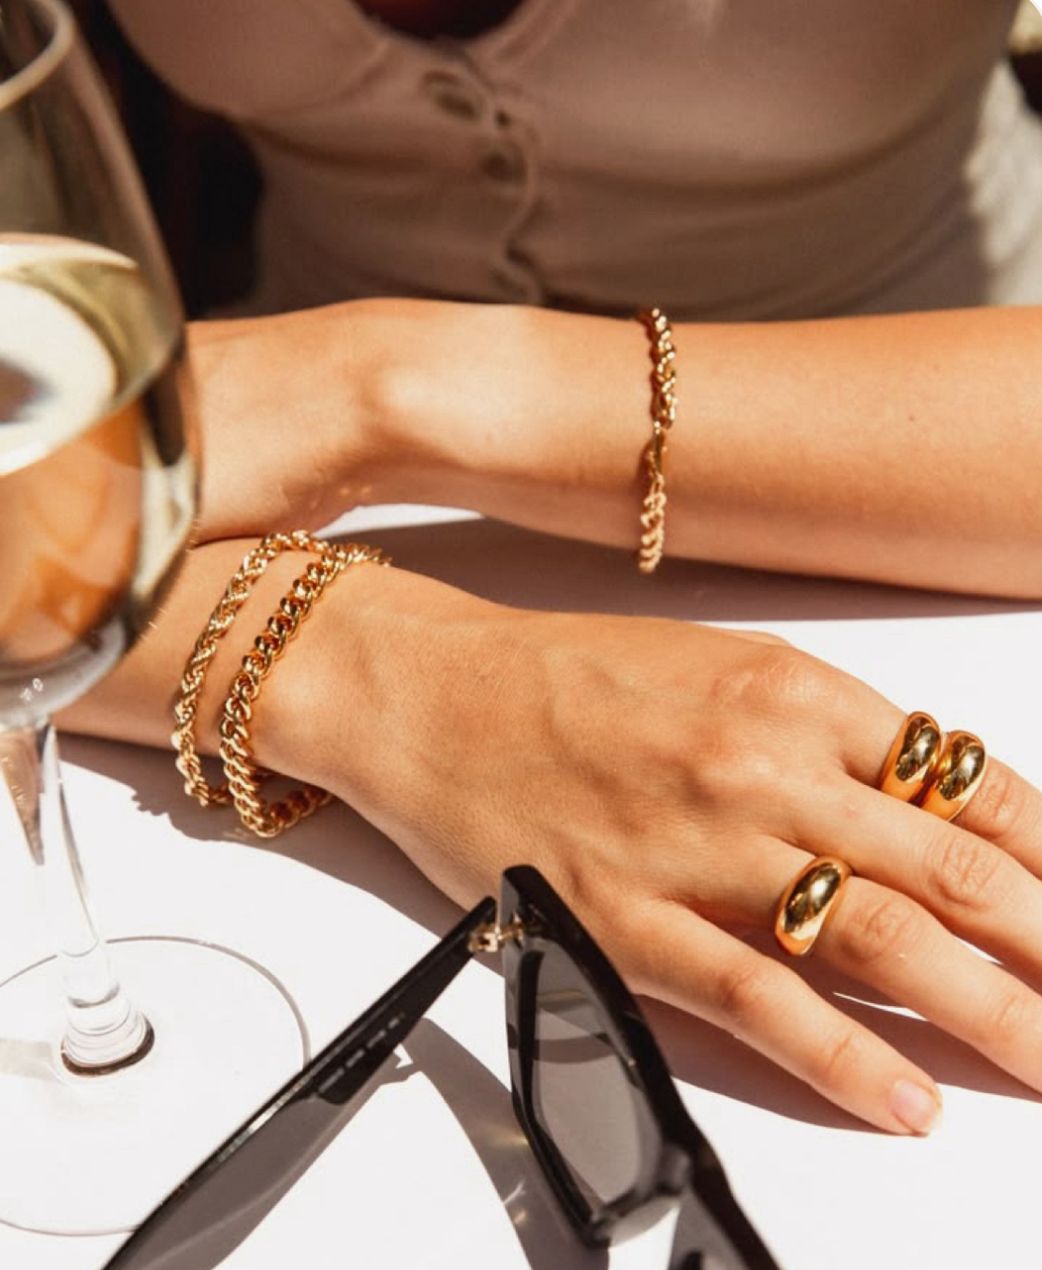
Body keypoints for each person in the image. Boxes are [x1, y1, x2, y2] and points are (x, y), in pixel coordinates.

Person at [63, 0, 1042, 1137]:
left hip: (942, 479)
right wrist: (366, 665)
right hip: (248, 494)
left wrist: (381, 387)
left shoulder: (333, 391)